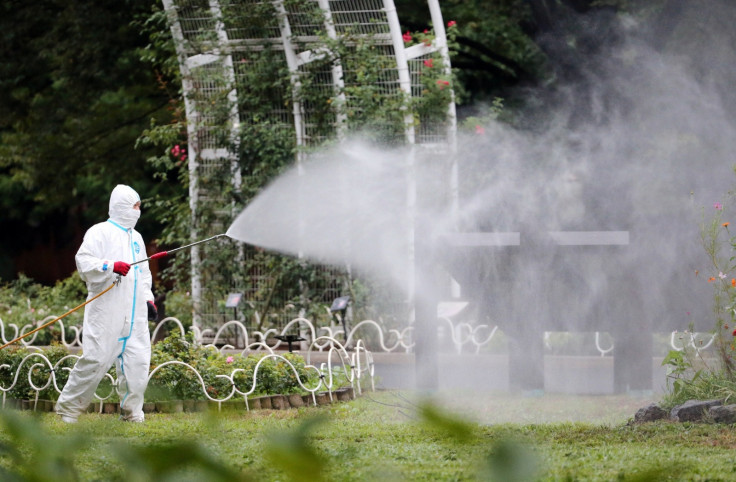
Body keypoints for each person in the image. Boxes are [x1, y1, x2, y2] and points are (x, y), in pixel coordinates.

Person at [56, 184, 157, 423]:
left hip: (135, 316)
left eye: (139, 206)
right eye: (135, 206)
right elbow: (83, 261)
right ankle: (69, 410)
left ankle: (133, 413)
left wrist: (148, 299)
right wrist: (110, 266)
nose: (138, 211)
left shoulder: (137, 238)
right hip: (106, 312)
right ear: (122, 206)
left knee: (138, 364)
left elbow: (143, 273)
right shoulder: (99, 232)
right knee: (95, 360)